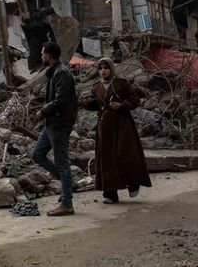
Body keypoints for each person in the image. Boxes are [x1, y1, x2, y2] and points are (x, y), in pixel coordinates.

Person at [80, 58, 152, 203]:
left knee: (125, 154)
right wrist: (85, 103)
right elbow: (96, 104)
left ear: (111, 69)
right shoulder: (96, 87)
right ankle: (110, 194)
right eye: (100, 68)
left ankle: (133, 183)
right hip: (105, 126)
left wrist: (121, 105)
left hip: (123, 124)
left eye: (106, 68)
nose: (103, 71)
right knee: (106, 158)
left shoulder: (121, 83)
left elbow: (135, 100)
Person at [31, 41, 78, 216]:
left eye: (43, 53)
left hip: (59, 124)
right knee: (37, 154)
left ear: (49, 55)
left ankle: (67, 203)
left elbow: (61, 101)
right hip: (51, 124)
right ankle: (67, 185)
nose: (41, 56)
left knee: (62, 163)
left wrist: (43, 111)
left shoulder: (62, 73)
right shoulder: (54, 72)